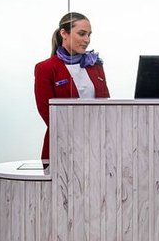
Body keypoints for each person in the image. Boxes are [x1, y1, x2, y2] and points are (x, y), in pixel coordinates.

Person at [34, 12, 110, 160]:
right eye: (82, 34)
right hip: (63, 146)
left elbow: (105, 105)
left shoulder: (95, 65)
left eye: (89, 35)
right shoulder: (45, 68)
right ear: (64, 33)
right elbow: (49, 115)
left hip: (97, 146)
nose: (87, 40)